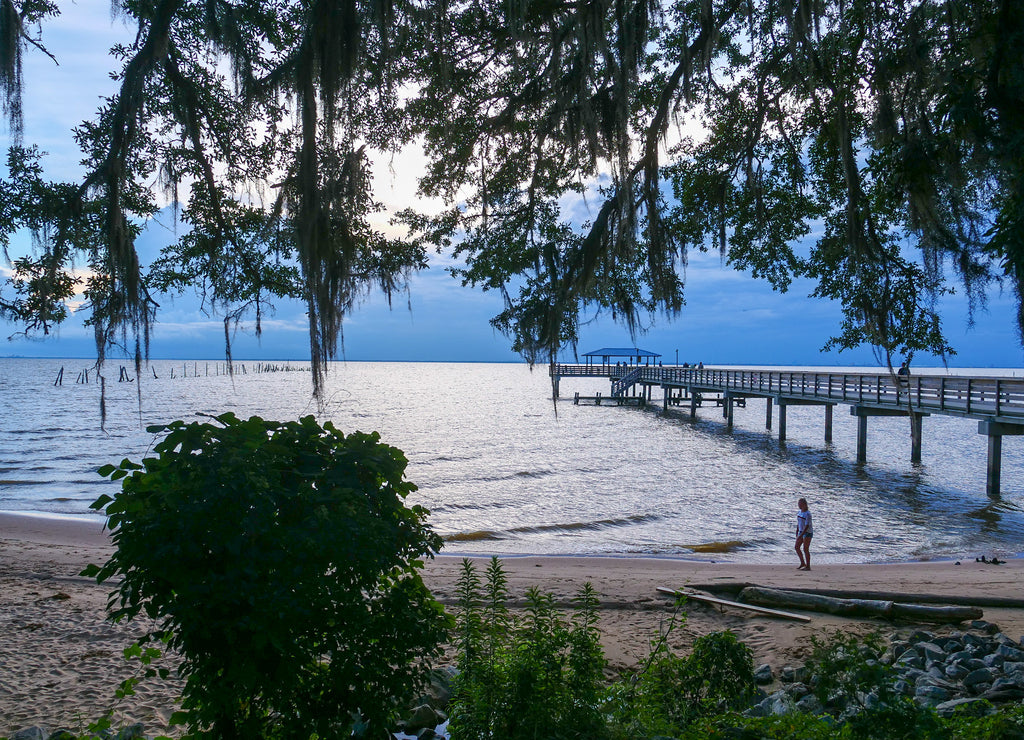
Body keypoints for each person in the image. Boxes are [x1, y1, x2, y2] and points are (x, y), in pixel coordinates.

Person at [795, 498, 813, 570]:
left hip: (807, 532)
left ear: (804, 505)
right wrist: (797, 531)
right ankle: (802, 562)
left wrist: (801, 535)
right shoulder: (799, 512)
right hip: (800, 531)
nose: (799, 505)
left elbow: (807, 525)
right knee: (797, 547)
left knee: (805, 549)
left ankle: (808, 566)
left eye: (800, 504)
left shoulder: (807, 514)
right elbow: (799, 522)